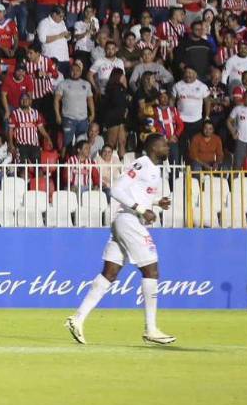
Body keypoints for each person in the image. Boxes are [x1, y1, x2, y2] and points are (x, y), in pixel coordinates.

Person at [66, 133, 175, 347]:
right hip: (130, 221)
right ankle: (151, 329)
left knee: (110, 273)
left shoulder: (154, 169)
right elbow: (116, 189)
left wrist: (154, 202)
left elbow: (137, 193)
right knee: (151, 270)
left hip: (126, 221)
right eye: (164, 144)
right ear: (153, 148)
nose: (168, 147)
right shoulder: (142, 164)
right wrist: (142, 209)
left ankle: (77, 318)